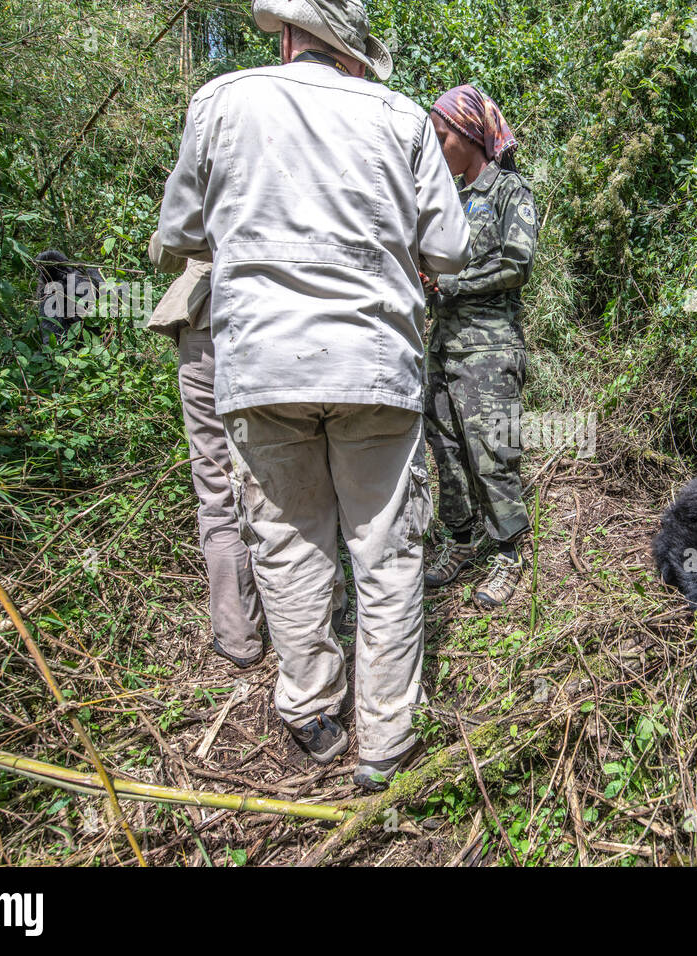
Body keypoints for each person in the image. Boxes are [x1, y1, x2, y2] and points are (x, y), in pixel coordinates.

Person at [156, 0, 470, 790]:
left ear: (291, 35)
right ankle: (386, 740)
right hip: (374, 365)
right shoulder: (399, 117)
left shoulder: (221, 102)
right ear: (351, 50)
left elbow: (179, 234)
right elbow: (451, 250)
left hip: (261, 365)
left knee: (289, 545)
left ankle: (312, 713)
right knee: (386, 551)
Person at [144, 233, 352, 667]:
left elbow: (164, 251)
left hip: (207, 328)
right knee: (304, 475)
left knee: (218, 486)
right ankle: (325, 608)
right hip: (276, 323)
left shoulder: (202, 164)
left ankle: (238, 635)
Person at [422, 85, 539, 608]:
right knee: (446, 449)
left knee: (493, 451)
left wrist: (451, 285)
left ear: (470, 134)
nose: (437, 146)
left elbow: (517, 265)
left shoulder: (510, 190)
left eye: (442, 136)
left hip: (489, 349)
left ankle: (510, 552)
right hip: (443, 345)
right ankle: (465, 540)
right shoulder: (448, 197)